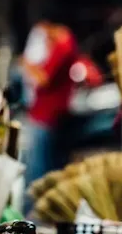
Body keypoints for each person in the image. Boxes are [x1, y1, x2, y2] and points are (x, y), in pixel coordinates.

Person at [21, 19, 102, 210]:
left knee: (39, 174)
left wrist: (26, 64)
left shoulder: (63, 44)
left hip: (48, 119)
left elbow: (43, 79)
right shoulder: (58, 45)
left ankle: (36, 217)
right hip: (45, 118)